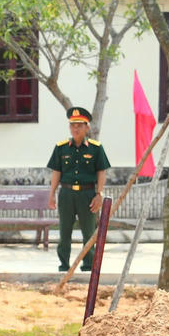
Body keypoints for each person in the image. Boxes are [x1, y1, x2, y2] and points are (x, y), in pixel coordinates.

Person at [47, 106, 110, 273]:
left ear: (87, 127)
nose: (76, 129)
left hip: (87, 194)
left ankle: (88, 266)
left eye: (79, 125)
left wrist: (99, 194)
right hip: (66, 194)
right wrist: (52, 194)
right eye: (73, 125)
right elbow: (56, 172)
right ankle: (64, 266)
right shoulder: (61, 148)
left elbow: (101, 172)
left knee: (88, 232)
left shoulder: (95, 148)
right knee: (64, 231)